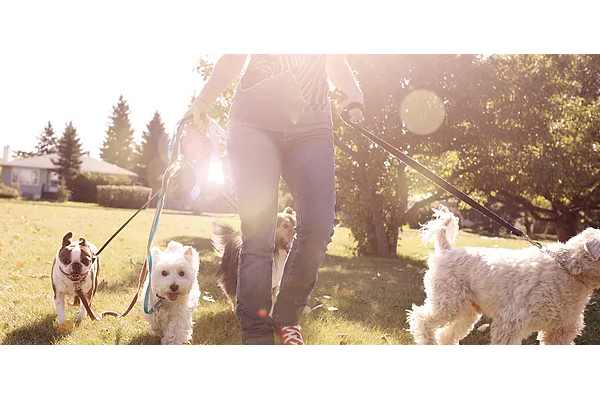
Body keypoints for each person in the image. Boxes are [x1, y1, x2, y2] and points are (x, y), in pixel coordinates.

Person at [185, 54, 364, 345]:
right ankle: (256, 332)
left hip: (312, 126)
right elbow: (235, 54)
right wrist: (203, 102)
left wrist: (355, 94)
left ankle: (287, 317)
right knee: (258, 233)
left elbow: (334, 59)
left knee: (319, 225)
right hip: (252, 125)